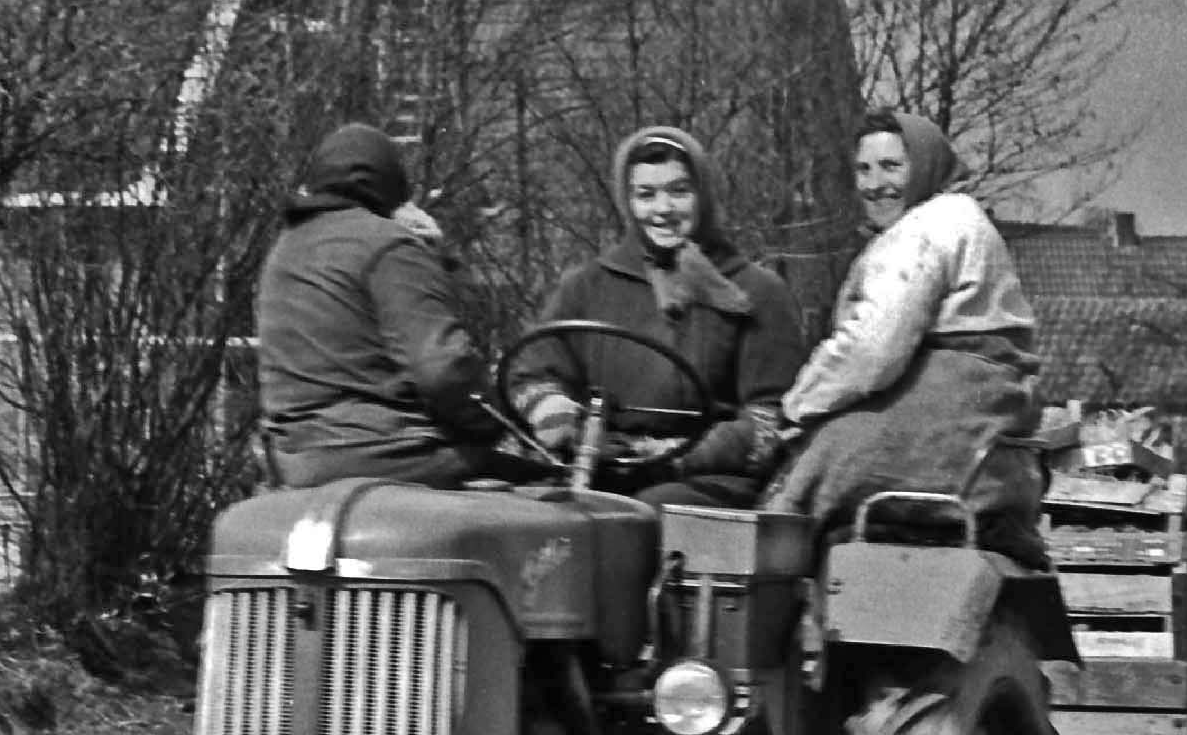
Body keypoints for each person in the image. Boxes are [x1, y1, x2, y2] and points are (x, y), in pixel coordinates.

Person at [756, 110, 1044, 544]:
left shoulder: (927, 228)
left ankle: (774, 596)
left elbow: (873, 350)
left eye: (891, 167)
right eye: (864, 169)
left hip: (951, 401)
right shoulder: (959, 219)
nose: (875, 184)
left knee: (801, 480)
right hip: (984, 409)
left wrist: (797, 407)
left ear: (925, 165)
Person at [518, 124, 805, 505]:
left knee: (650, 511)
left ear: (702, 195)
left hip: (705, 478)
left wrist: (677, 455)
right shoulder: (587, 285)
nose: (663, 209)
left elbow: (769, 415)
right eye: (646, 194)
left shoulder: (756, 291)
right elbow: (533, 368)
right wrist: (558, 415)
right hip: (601, 462)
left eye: (679, 191)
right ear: (628, 202)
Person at [251, 122, 504, 489]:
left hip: (293, 459)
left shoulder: (284, 251)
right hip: (386, 452)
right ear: (393, 188)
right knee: (544, 493)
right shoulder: (391, 245)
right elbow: (443, 370)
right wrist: (493, 418)